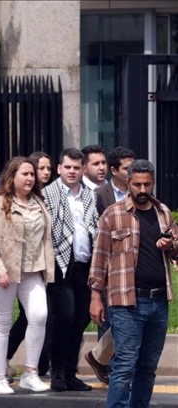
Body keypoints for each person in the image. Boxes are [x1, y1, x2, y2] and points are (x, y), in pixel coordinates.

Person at [88, 159, 177, 408]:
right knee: (125, 365)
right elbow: (100, 258)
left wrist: (171, 246)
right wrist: (96, 296)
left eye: (147, 184)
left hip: (158, 301)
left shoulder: (164, 213)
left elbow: (177, 251)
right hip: (126, 301)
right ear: (128, 183)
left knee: (147, 367)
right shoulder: (113, 214)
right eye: (137, 184)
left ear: (153, 183)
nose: (142, 190)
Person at [0, 157, 54, 395]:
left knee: (39, 315)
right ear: (12, 176)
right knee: (1, 322)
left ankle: (30, 373)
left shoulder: (38, 202)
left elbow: (46, 239)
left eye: (32, 174)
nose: (30, 178)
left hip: (33, 269)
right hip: (1, 272)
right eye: (25, 174)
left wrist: (47, 270)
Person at [42, 148, 98, 392]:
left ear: (83, 169)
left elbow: (93, 225)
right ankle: (57, 372)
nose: (72, 172)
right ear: (59, 169)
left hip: (84, 264)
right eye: (68, 167)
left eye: (77, 168)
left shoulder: (89, 195)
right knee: (64, 316)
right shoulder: (48, 194)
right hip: (59, 263)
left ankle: (70, 373)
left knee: (80, 319)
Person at [84, 146, 136, 385]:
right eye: (128, 169)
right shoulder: (99, 196)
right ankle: (110, 368)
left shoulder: (139, 192)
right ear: (115, 170)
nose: (133, 173)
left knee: (131, 317)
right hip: (108, 264)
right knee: (107, 316)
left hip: (134, 266)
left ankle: (107, 362)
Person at [6, 151, 54, 376]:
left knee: (39, 316)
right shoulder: (5, 201)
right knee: (10, 320)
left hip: (39, 268)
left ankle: (35, 368)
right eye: (38, 169)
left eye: (47, 169)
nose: (43, 173)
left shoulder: (42, 199)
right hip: (10, 269)